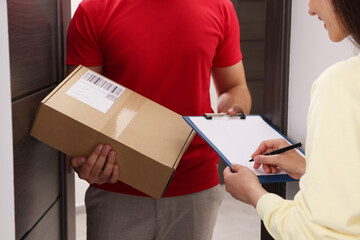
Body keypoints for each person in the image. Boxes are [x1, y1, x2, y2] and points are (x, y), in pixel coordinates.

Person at [66, 0, 251, 239]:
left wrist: (233, 112)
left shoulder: (219, 6)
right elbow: (80, 106)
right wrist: (84, 158)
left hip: (194, 183)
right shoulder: (94, 9)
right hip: (118, 181)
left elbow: (234, 86)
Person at [223, 0, 360, 239]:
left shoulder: (340, 85)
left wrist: (256, 196)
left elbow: (315, 233)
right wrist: (311, 169)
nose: (309, 8)